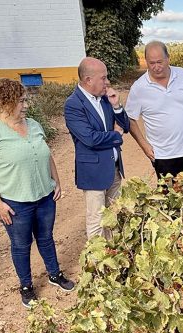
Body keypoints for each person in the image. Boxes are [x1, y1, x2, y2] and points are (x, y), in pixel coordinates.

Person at [0, 78, 75, 308]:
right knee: (21, 244)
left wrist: (56, 181)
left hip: (43, 195)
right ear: (4, 102)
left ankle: (54, 274)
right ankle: (27, 286)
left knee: (46, 237)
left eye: (25, 100)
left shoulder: (33, 125)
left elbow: (46, 154)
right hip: (14, 202)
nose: (26, 105)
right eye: (21, 101)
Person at [64, 57, 130, 239]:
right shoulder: (73, 105)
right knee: (97, 221)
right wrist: (116, 136)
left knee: (116, 216)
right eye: (103, 78)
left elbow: (126, 126)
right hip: (93, 173)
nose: (107, 82)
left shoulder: (105, 98)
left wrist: (117, 106)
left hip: (114, 170)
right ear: (88, 80)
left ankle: (117, 257)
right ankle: (97, 263)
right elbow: (90, 138)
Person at [125, 40, 183, 178]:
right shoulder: (139, 87)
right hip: (163, 156)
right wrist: (144, 146)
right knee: (169, 197)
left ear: (168, 59)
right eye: (151, 63)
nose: (156, 67)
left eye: (160, 62)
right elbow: (130, 119)